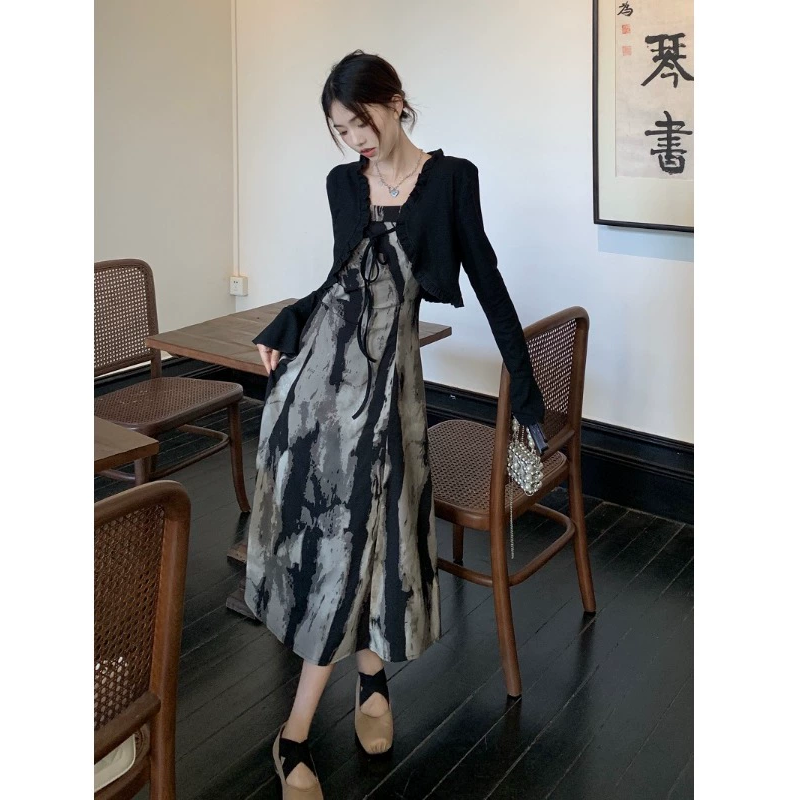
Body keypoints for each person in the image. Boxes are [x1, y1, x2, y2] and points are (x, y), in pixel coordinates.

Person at [245, 50, 545, 800]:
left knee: (376, 528)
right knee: (340, 540)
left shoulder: (452, 179)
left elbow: (487, 278)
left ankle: (369, 677)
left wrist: (527, 388)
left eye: (362, 121)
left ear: (397, 101)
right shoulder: (342, 184)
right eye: (340, 130)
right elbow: (340, 279)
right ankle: (297, 733)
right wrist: (289, 318)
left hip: (393, 387)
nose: (355, 140)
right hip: (321, 383)